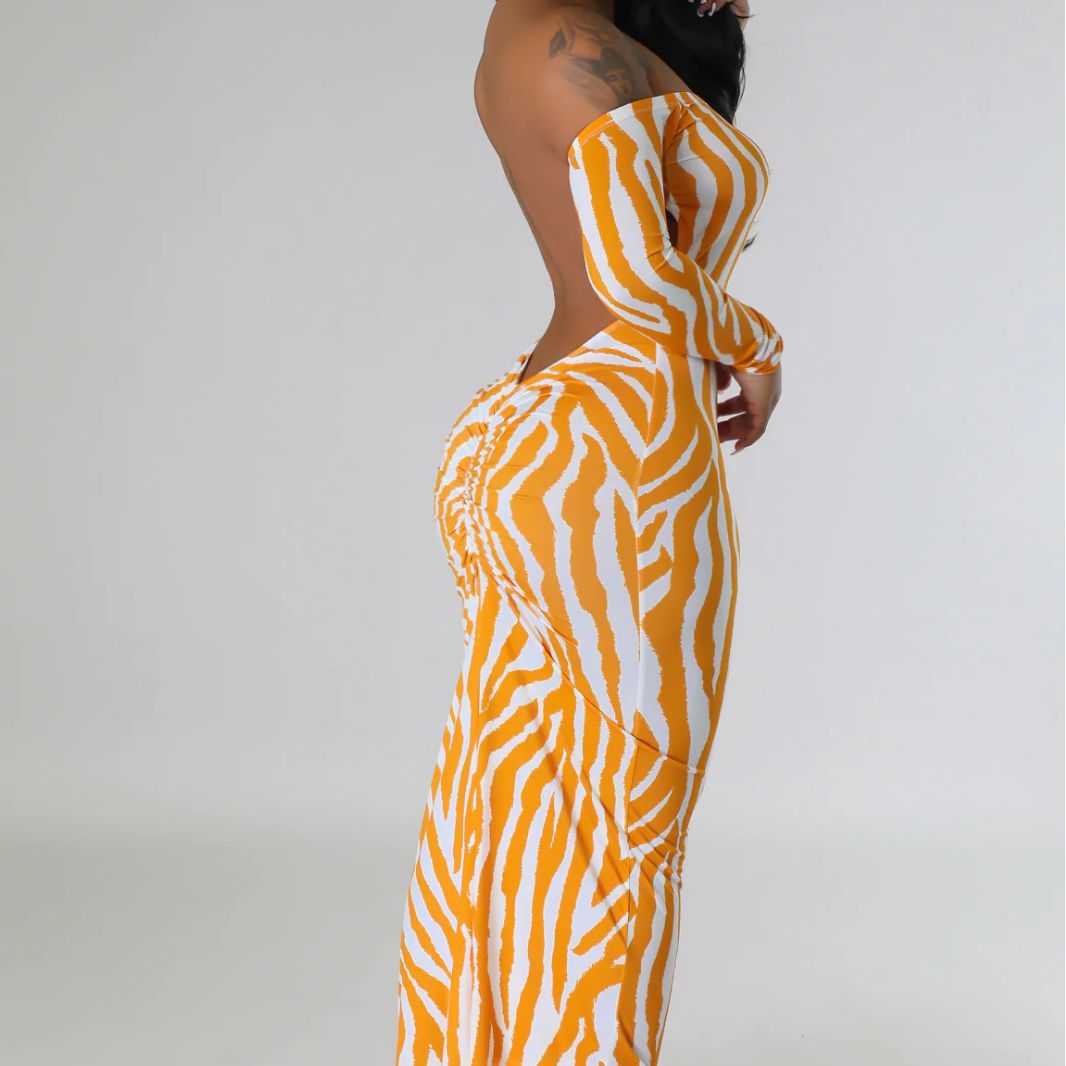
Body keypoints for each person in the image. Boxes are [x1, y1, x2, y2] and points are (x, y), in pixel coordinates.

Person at [395, 1, 783, 1061]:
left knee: (501, 807)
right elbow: (636, 275)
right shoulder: (585, 47)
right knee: (624, 833)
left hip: (522, 433)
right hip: (619, 456)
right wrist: (757, 344)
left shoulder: (517, 32)